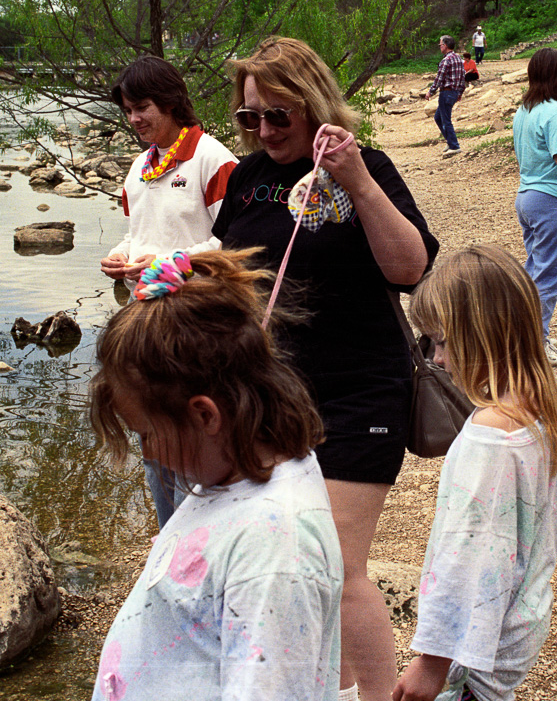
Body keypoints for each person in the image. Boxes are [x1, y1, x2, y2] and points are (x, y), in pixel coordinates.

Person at [213, 36, 439, 701]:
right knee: (287, 566)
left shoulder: (367, 166)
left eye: (277, 115)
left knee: (337, 568)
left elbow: (411, 269)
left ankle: (376, 695)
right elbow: (228, 269)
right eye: (249, 117)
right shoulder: (249, 179)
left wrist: (358, 183)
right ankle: (327, 689)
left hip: (359, 394)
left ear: (314, 105)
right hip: (271, 398)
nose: (263, 130)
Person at [88, 249, 344, 701]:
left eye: (146, 434)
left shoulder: (276, 551)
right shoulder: (229, 475)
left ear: (205, 415)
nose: (147, 452)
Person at [391, 245, 557, 701]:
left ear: (480, 335)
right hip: (517, 635)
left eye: (441, 341)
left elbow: (467, 554)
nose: (438, 359)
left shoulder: (488, 436)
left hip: (472, 655)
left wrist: (431, 663)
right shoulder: (545, 410)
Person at [100, 56, 238, 528]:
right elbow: (138, 233)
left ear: (172, 101)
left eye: (143, 107)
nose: (135, 119)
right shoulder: (140, 167)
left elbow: (234, 242)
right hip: (144, 319)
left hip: (197, 321)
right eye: (128, 110)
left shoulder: (212, 159)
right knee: (153, 433)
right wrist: (119, 257)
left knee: (195, 432)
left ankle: (205, 532)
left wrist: (169, 264)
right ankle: (171, 534)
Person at [512, 48, 557, 368]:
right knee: (550, 276)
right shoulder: (554, 112)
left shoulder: (523, 110)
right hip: (554, 201)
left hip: (527, 197)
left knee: (534, 272)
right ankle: (537, 342)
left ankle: (518, 337)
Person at [425, 35, 466, 157]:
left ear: (445, 45)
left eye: (440, 45)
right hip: (453, 92)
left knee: (446, 119)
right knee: (438, 117)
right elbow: (463, 77)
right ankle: (450, 141)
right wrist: (460, 92)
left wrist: (430, 92)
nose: (440, 47)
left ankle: (454, 145)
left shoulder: (446, 60)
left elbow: (439, 78)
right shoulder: (459, 58)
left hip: (446, 92)